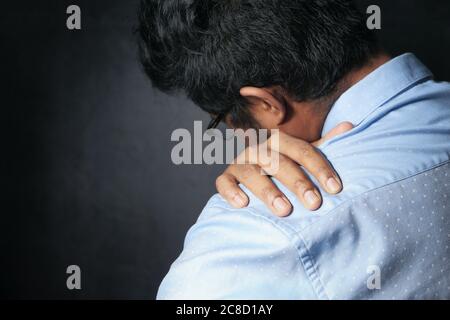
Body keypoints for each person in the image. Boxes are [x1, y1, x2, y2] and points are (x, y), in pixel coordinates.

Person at [138, 0, 450, 299]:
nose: (244, 140)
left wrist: (244, 206)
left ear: (265, 103)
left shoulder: (250, 239)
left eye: (225, 120)